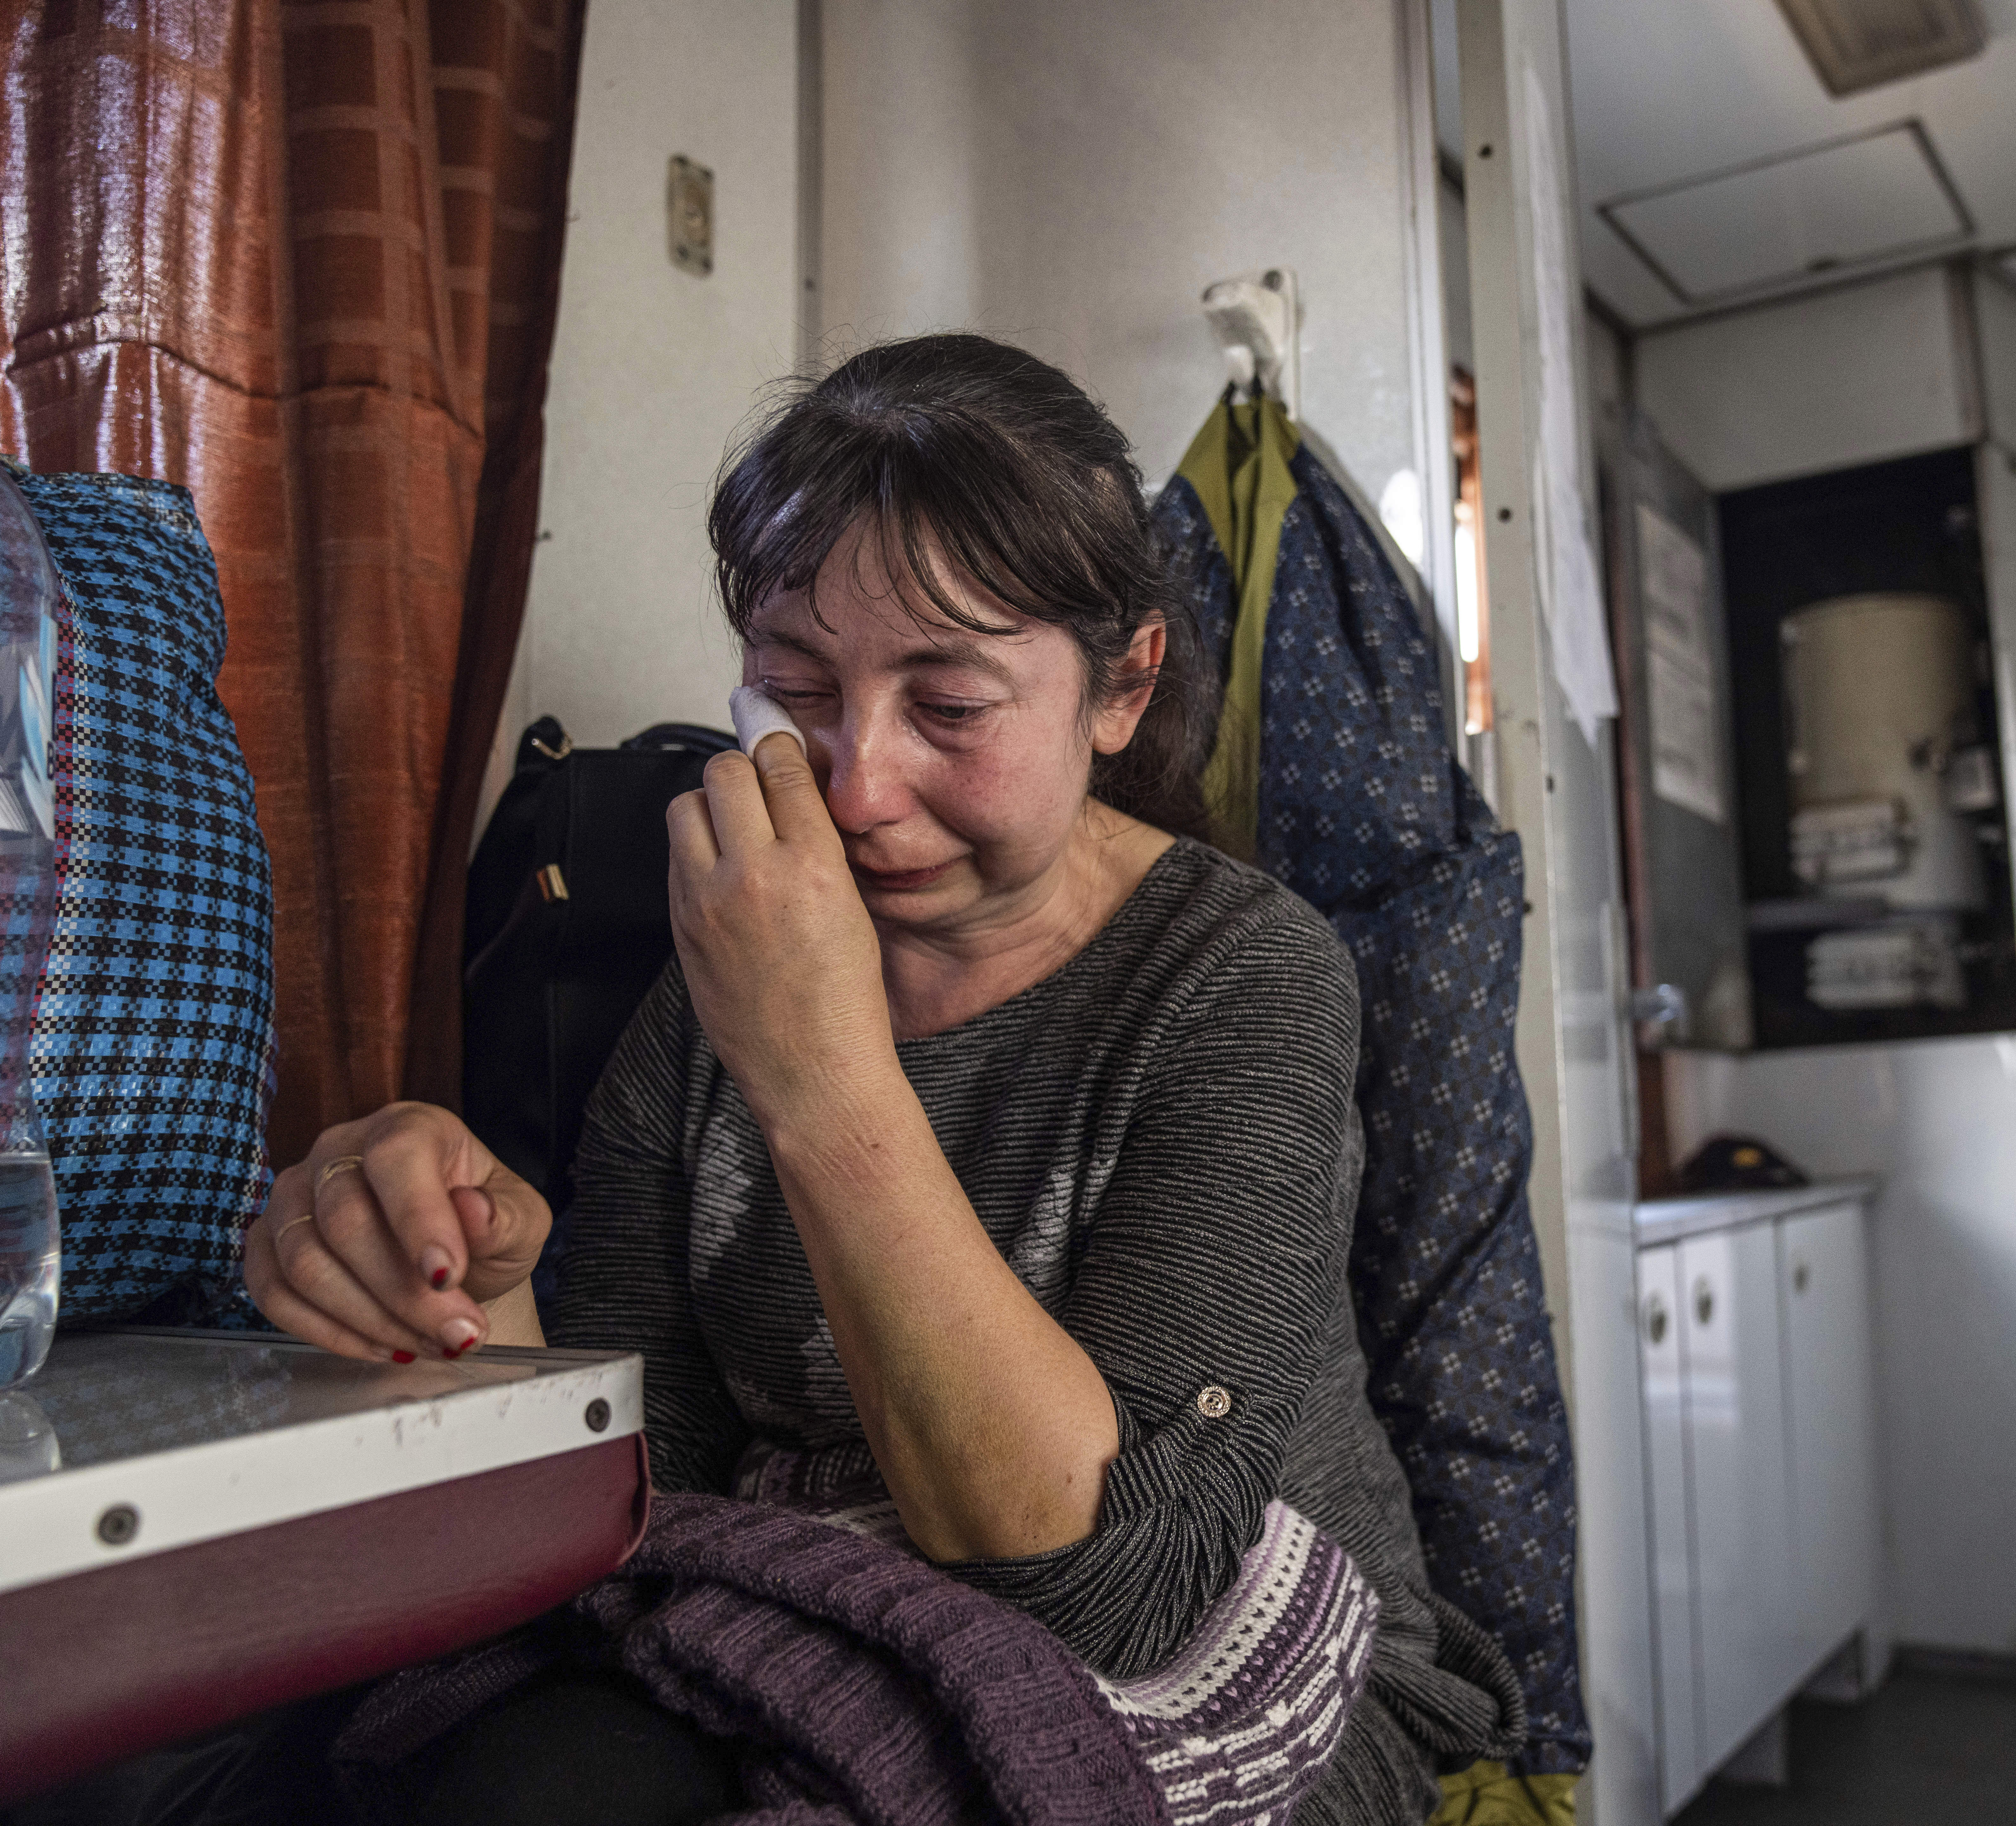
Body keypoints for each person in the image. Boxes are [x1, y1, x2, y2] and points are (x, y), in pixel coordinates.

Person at [239, 335, 1517, 1823]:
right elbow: (643, 1507)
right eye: (796, 690)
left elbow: (1118, 1588)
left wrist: (820, 1072)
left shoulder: (1244, 978)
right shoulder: (716, 971)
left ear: (1120, 691)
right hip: (829, 1596)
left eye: (953, 709)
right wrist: (468, 1277)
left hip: (1245, 1665)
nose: (857, 788)